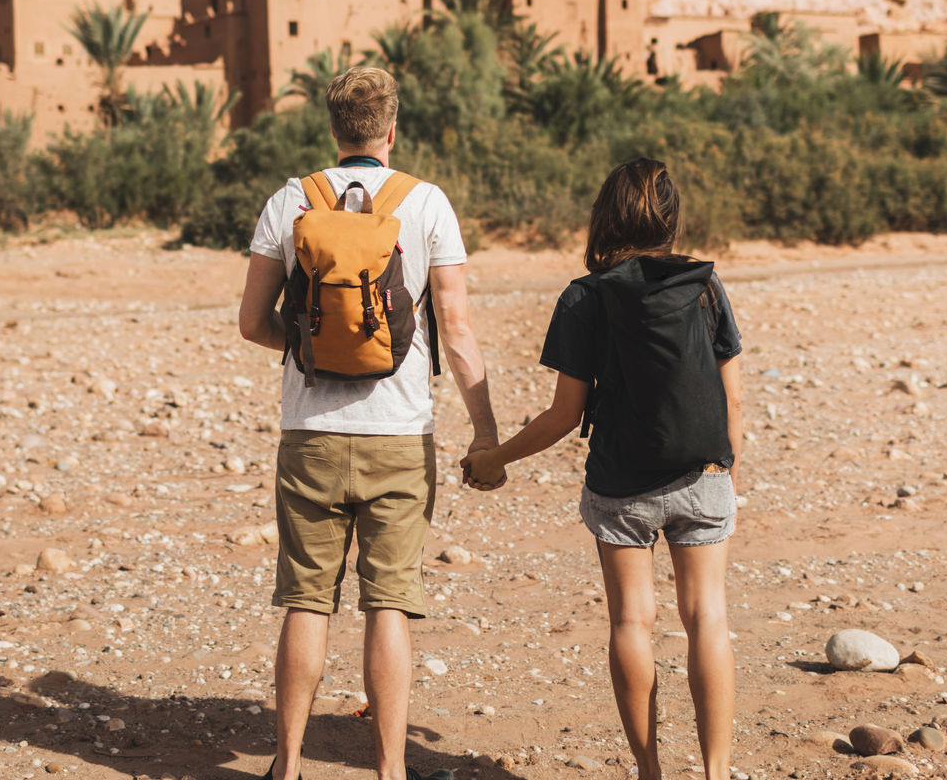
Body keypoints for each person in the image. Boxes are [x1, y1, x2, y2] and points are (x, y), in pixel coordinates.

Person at [237, 65, 500, 780]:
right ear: (391, 130)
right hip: (400, 436)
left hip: (311, 433)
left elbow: (251, 322)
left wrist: (307, 345)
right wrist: (485, 432)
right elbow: (457, 329)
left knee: (306, 601)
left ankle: (287, 764)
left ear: (331, 129)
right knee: (389, 605)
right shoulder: (428, 203)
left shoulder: (292, 200)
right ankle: (390, 770)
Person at [462, 158, 744, 780]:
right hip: (703, 473)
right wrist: (724, 470)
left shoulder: (586, 295)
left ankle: (649, 771)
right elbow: (733, 400)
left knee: (630, 621)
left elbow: (564, 414)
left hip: (621, 484)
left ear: (605, 216)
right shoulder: (703, 285)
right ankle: (718, 772)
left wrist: (494, 458)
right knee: (708, 617)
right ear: (671, 218)